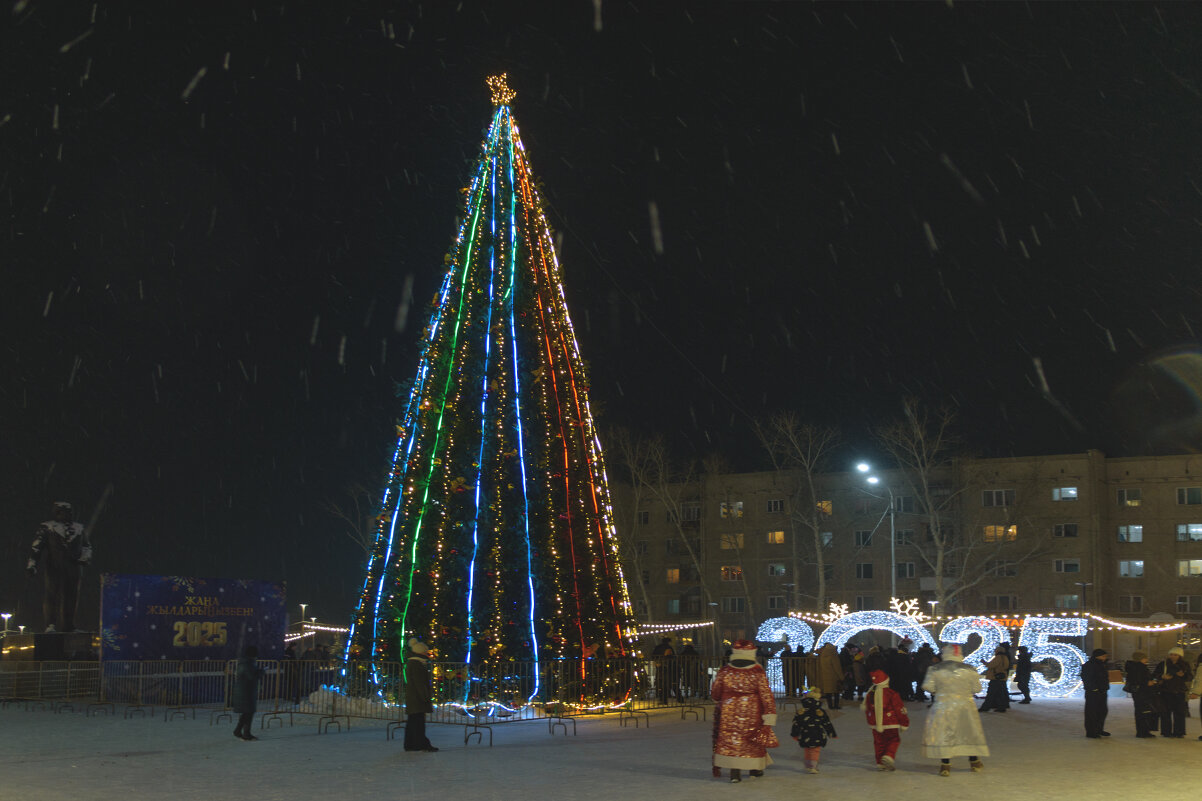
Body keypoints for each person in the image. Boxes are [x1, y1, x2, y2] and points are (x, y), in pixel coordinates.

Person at [711, 639, 778, 783]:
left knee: (732, 740)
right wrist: (769, 713)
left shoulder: (725, 670)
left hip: (729, 710)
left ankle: (735, 773)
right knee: (752, 739)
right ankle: (755, 769)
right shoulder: (757, 671)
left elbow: (715, 692)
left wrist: (721, 699)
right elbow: (766, 694)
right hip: (752, 709)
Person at [922, 644, 989, 776]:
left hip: (943, 706)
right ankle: (974, 761)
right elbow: (977, 689)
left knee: (944, 733)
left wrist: (939, 692)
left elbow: (927, 686)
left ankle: (945, 764)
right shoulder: (970, 669)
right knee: (968, 731)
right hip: (965, 705)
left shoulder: (935, 669)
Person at [26, 501, 92, 633]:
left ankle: (69, 625)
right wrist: (32, 564)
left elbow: (86, 546)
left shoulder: (79, 528)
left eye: (70, 511)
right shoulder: (47, 527)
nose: (68, 514)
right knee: (52, 595)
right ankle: (50, 624)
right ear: (57, 512)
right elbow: (36, 548)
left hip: (74, 569)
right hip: (54, 567)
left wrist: (84, 558)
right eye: (64, 511)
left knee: (71, 598)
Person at [864, 668, 909, 771]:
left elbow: (867, 710)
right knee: (894, 739)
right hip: (890, 723)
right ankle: (889, 755)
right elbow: (899, 709)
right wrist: (904, 723)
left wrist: (871, 722)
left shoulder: (870, 694)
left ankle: (880, 762)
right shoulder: (892, 694)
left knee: (879, 742)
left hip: (875, 724)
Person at [790, 689, 837, 774]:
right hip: (818, 734)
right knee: (815, 750)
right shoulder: (820, 712)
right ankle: (813, 766)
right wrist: (832, 733)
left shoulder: (801, 712)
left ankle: (808, 765)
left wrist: (795, 734)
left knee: (807, 749)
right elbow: (827, 723)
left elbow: (796, 724)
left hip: (805, 733)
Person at [404, 638, 439, 752]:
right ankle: (420, 744)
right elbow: (420, 684)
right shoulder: (417, 665)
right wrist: (425, 697)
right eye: (425, 652)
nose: (427, 654)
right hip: (417, 698)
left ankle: (411, 744)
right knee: (417, 722)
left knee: (413, 721)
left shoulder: (413, 663)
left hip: (413, 697)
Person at [1154, 646, 1192, 738]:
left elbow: (1190, 677)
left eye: (1175, 655)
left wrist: (1183, 676)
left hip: (1179, 691)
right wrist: (1162, 677)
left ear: (1180, 656)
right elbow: (1155, 674)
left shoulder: (1185, 665)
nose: (1173, 656)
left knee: (1179, 713)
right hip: (1165, 691)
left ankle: (1179, 732)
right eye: (1171, 654)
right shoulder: (1163, 664)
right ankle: (1166, 732)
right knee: (1165, 712)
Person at [232, 645, 265, 741]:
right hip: (246, 691)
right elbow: (251, 677)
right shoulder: (248, 663)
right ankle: (245, 733)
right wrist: (261, 672)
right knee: (249, 712)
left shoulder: (244, 662)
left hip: (244, 690)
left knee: (247, 712)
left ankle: (239, 731)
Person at [1125, 651, 1158, 738]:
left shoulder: (1133, 667)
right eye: (1145, 658)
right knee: (1144, 712)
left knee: (1141, 711)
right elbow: (1138, 680)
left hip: (1139, 692)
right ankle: (1143, 731)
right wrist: (1147, 682)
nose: (1146, 660)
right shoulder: (1139, 667)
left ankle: (1143, 731)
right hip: (1143, 692)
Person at [1080, 647, 1111, 738]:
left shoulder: (1102, 665)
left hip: (1102, 691)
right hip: (1093, 692)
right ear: (1098, 656)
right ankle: (1091, 732)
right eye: (1104, 656)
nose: (1105, 657)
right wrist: (1093, 688)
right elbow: (1087, 678)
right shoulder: (1090, 665)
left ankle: (1098, 729)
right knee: (1092, 712)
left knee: (1102, 711)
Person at [978, 645, 1011, 712]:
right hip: (1002, 678)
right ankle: (1001, 707)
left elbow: (991, 665)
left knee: (991, 693)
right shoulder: (1005, 657)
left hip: (995, 678)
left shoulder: (998, 657)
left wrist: (984, 662)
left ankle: (985, 707)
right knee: (1000, 694)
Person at [816, 642, 843, 709]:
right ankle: (836, 705)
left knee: (828, 692)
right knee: (836, 691)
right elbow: (837, 667)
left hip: (825, 676)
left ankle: (830, 705)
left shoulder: (823, 655)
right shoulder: (833, 654)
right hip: (834, 676)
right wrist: (841, 677)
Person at [651, 636, 677, 703]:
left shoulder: (658, 647)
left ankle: (662, 697)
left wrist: (657, 661)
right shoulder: (669, 648)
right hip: (668, 667)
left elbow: (653, 655)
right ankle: (668, 697)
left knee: (661, 683)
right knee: (669, 683)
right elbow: (672, 657)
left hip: (660, 666)